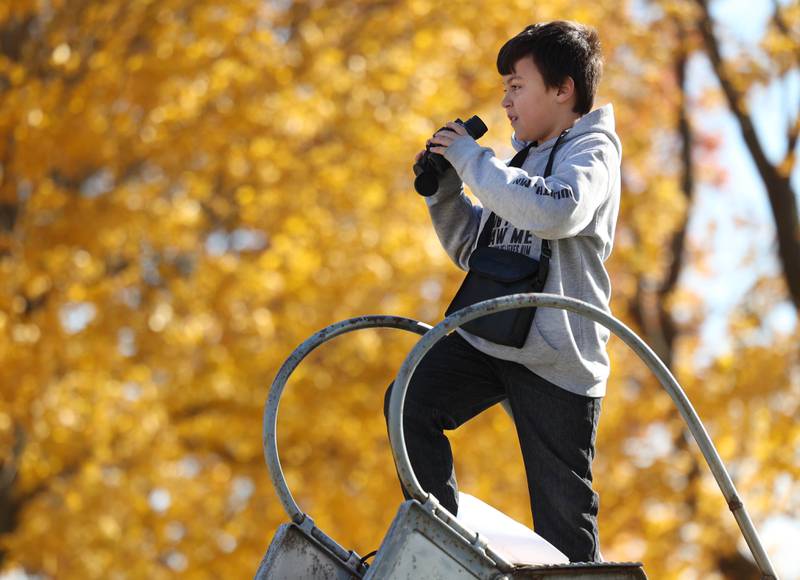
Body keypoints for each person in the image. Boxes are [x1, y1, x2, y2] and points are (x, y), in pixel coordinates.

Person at [383, 20, 622, 563]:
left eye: (517, 85)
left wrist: (473, 160)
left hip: (556, 358)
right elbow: (480, 249)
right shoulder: (516, 161)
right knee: (408, 400)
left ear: (563, 90)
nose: (506, 100)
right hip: (491, 336)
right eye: (505, 87)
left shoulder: (593, 151)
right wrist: (445, 189)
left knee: (563, 524)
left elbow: (558, 210)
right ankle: (442, 549)